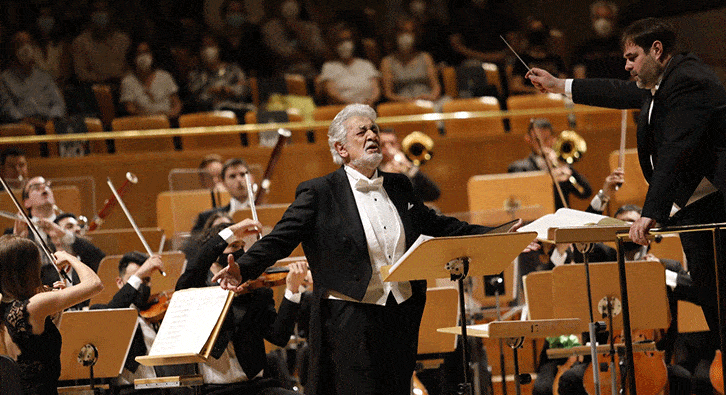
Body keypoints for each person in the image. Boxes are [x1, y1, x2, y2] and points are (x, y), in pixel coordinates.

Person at [212, 104, 537, 395]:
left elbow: (441, 226)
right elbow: (280, 238)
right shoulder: (319, 192)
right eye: (362, 131)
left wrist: (498, 234)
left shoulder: (399, 185)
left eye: (375, 129)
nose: (372, 135)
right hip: (350, 314)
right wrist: (243, 268)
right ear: (341, 148)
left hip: (402, 310)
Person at [527, 17, 726, 334]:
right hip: (697, 207)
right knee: (714, 307)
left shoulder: (688, 80)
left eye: (632, 57)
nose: (627, 66)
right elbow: (616, 91)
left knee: (720, 303)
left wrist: (651, 213)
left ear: (656, 50)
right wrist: (557, 85)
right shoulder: (662, 82)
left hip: (716, 207)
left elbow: (675, 151)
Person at [176, 219, 306, 394]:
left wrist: (292, 291)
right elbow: (197, 264)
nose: (240, 251)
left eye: (242, 246)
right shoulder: (196, 289)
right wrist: (229, 232)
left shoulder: (257, 290)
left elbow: (278, 336)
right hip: (216, 389)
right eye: (233, 246)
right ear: (214, 253)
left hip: (257, 385)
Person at [0, 235, 103, 395]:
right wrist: (70, 258)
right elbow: (95, 285)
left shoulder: (7, 305)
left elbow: (38, 346)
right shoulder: (34, 305)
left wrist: (58, 309)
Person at [10, 176, 105, 288]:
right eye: (35, 187)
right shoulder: (17, 232)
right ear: (27, 202)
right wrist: (17, 242)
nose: (43, 187)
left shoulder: (69, 223)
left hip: (76, 289)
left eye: (46, 185)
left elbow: (98, 258)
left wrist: (64, 234)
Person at [89, 252, 165, 387]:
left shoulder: (154, 313)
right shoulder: (103, 311)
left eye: (146, 280)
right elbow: (114, 311)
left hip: (162, 387)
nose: (142, 285)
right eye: (137, 279)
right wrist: (139, 274)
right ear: (120, 282)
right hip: (128, 389)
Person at [508, 118, 592, 209]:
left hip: (560, 219)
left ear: (553, 139)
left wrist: (563, 165)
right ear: (528, 139)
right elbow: (521, 197)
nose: (543, 144)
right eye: (538, 140)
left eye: (547, 139)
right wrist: (548, 178)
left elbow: (585, 193)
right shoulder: (518, 167)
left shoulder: (560, 166)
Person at [0, 31, 66, 127]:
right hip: (23, 126)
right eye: (20, 45)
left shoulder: (44, 76)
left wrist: (52, 120)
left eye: (28, 44)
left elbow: (58, 103)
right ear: (13, 50)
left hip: (49, 123)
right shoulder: (4, 79)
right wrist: (26, 120)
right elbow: (8, 109)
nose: (25, 49)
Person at [187, 34, 252, 119]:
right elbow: (195, 96)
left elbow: (244, 89)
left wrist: (227, 90)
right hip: (207, 114)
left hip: (235, 110)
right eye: (204, 47)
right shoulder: (196, 74)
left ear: (218, 47)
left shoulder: (233, 69)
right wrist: (211, 91)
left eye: (211, 45)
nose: (208, 50)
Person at [380, 18, 442, 105]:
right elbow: (388, 93)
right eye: (403, 32)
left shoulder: (425, 57)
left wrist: (432, 96)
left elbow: (436, 86)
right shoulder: (387, 61)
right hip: (401, 103)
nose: (406, 35)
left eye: (410, 32)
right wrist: (406, 100)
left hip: (427, 99)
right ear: (395, 34)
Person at [261, 0, 328, 81]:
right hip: (285, 75)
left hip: (311, 72)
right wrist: (306, 56)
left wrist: (302, 34)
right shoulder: (270, 28)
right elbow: (284, 53)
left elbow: (320, 51)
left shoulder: (311, 27)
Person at [318, 23, 380, 106]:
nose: (345, 44)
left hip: (368, 107)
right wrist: (353, 104)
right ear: (334, 44)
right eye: (341, 41)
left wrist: (371, 100)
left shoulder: (366, 64)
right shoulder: (329, 66)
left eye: (348, 40)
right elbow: (332, 93)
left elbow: (376, 89)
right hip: (342, 109)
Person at [71, 0, 130, 85]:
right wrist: (103, 79)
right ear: (91, 15)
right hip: (93, 88)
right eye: (97, 11)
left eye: (103, 11)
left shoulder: (123, 40)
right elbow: (81, 73)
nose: (101, 15)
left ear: (109, 13)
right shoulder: (80, 42)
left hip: (121, 86)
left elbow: (129, 69)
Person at [119, 41, 182, 119]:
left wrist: (169, 115)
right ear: (133, 57)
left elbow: (177, 104)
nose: (143, 57)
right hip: (143, 123)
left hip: (168, 120)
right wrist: (152, 117)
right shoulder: (128, 81)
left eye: (146, 52)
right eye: (139, 53)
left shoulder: (165, 76)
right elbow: (130, 109)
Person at [571, 1, 630, 80]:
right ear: (592, 19)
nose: (603, 22)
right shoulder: (582, 49)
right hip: (592, 91)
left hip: (621, 90)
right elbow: (580, 79)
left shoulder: (625, 46)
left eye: (608, 18)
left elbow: (633, 75)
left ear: (615, 20)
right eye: (598, 18)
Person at [191, 158, 253, 233]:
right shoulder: (206, 217)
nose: (239, 179)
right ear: (223, 183)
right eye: (232, 176)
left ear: (251, 178)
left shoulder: (267, 211)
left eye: (243, 174)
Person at [378, 128, 440, 202]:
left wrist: (410, 170)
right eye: (382, 145)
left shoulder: (405, 166)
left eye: (392, 143)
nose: (388, 148)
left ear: (398, 145)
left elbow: (434, 194)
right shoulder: (372, 170)